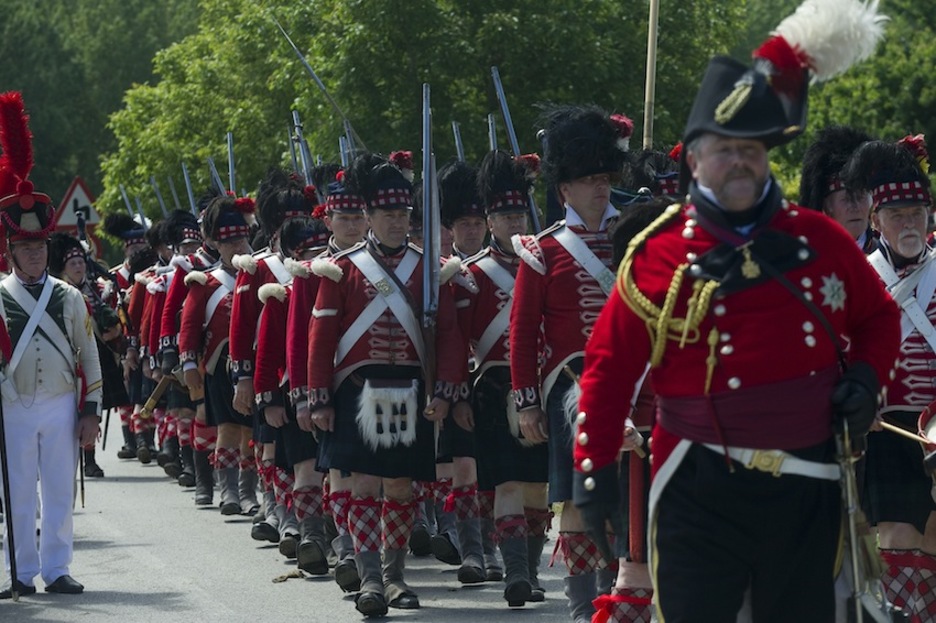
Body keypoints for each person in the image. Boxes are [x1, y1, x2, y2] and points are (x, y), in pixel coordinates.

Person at [571, 9, 897, 620]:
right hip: (696, 486)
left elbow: (880, 319)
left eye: (750, 149)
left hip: (807, 485)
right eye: (723, 150)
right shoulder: (656, 254)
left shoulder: (821, 240)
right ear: (694, 159)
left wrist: (867, 377)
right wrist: (591, 470)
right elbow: (609, 367)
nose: (738, 162)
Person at [307, 153, 466, 617]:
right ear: (370, 217)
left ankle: (395, 577)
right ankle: (370, 578)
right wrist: (319, 397)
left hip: (412, 389)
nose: (398, 223)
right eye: (389, 215)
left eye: (404, 215)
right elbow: (322, 335)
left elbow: (451, 336)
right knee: (361, 486)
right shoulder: (344, 267)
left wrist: (445, 391)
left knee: (399, 488)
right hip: (357, 389)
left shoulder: (428, 268)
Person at [511, 104, 632, 623]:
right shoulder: (545, 250)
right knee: (580, 504)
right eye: (588, 180)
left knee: (626, 499)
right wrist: (527, 403)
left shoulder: (635, 238)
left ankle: (621, 596)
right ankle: (585, 607)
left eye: (604, 178)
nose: (600, 188)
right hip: (570, 391)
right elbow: (522, 332)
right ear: (564, 190)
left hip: (630, 385)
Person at [0, 91, 102, 598]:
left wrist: (90, 410)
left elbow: (89, 355)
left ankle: (58, 568)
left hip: (61, 402)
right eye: (25, 248)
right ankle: (19, 572)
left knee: (59, 490)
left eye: (40, 247)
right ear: (12, 251)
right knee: (17, 492)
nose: (35, 255)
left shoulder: (68, 297)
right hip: (13, 403)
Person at [841, 135, 936, 619]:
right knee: (898, 538)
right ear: (876, 221)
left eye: (917, 213)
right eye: (897, 215)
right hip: (886, 429)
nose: (909, 223)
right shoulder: (858, 277)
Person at [455, 149, 550, 607]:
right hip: (493, 386)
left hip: (542, 388)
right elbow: (457, 344)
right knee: (507, 483)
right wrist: (458, 395)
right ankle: (515, 572)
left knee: (538, 488)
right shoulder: (472, 276)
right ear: (489, 221)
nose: (514, 222)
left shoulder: (545, 266)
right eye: (504, 215)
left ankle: (529, 571)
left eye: (519, 213)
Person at [178, 194, 252, 516]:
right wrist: (189, 364)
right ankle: (229, 492)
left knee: (250, 432)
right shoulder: (205, 283)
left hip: (254, 365)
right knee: (228, 429)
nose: (236, 246)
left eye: (240, 238)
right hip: (220, 366)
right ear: (216, 246)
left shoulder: (259, 274)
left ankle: (249, 493)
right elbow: (190, 326)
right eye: (228, 241)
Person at [799, 125, 877, 253]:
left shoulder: (889, 255)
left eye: (860, 197)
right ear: (827, 206)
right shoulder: (808, 256)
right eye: (846, 199)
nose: (855, 206)